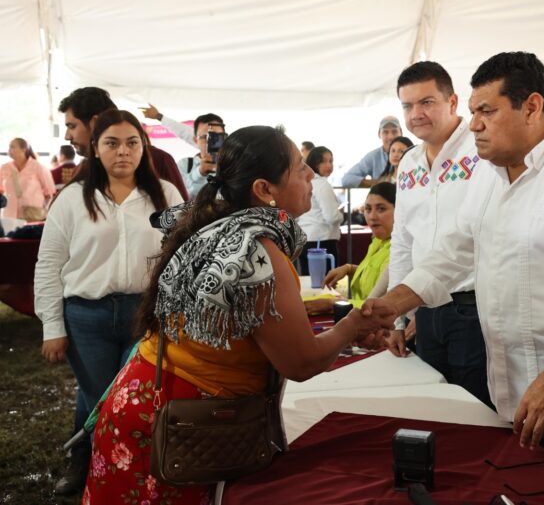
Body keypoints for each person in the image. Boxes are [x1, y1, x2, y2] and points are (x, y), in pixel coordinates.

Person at [363, 52, 544, 491]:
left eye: (486, 111)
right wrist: (394, 303)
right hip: (509, 386)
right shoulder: (491, 174)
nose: (473, 124)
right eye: (474, 112)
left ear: (531, 107)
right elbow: (455, 249)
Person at [82, 125, 392, 504]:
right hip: (178, 428)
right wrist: (353, 325)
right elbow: (301, 362)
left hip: (150, 406)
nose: (311, 173)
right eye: (298, 168)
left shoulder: (223, 228)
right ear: (264, 190)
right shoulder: (255, 251)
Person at [34, 110, 184, 496]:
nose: (123, 152)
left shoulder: (165, 195)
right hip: (86, 317)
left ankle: (126, 477)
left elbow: (181, 258)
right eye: (112, 143)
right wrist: (52, 327)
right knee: (101, 401)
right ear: (96, 150)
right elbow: (49, 264)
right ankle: (93, 470)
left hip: (144, 314)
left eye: (132, 142)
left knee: (129, 404)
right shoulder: (71, 199)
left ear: (144, 147)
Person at [386, 61, 492, 408]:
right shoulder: (408, 163)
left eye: (426, 102)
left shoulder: (483, 153)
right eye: (407, 105)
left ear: (452, 102)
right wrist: (397, 317)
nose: (416, 113)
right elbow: (402, 241)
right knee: (432, 405)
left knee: (475, 410)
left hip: (475, 307)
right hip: (425, 308)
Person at [59, 88, 189, 200]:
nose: (67, 136)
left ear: (94, 123)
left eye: (72, 126)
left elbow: (184, 220)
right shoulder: (82, 170)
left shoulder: (158, 161)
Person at [305, 182, 396, 314]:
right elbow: (377, 275)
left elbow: (380, 304)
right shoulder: (377, 241)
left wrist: (333, 305)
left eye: (381, 209)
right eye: (368, 209)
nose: (372, 216)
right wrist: (349, 268)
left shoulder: (400, 250)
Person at [297, 146, 343, 274]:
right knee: (325, 286)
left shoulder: (305, 182)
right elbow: (332, 217)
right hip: (322, 241)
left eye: (331, 161)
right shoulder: (322, 184)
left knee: (310, 284)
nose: (329, 165)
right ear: (314, 163)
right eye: (324, 161)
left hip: (306, 239)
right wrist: (341, 215)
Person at [0, 137, 56, 220]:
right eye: (9, 147)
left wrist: (43, 208)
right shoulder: (5, 167)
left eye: (12, 147)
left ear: (24, 149)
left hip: (32, 215)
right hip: (9, 214)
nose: (9, 150)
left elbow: (50, 191)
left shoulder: (38, 167)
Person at [340, 116, 402, 187]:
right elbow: (346, 179)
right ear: (379, 134)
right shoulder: (374, 157)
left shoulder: (411, 153)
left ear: (401, 133)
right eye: (385, 132)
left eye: (394, 131)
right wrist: (378, 183)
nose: (390, 136)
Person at [175, 113, 226, 198]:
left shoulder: (234, 165)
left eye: (216, 137)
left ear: (224, 138)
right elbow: (181, 198)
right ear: (195, 140)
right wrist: (200, 173)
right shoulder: (184, 165)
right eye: (205, 137)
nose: (210, 142)